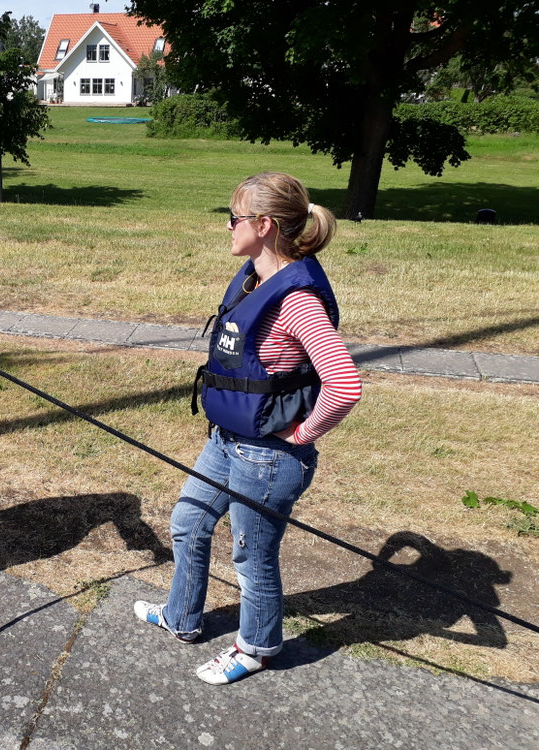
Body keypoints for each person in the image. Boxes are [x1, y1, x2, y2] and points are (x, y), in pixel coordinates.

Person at [134, 172, 362, 684]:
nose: (228, 227)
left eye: (233, 218)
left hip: (268, 457)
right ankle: (181, 617)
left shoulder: (296, 299)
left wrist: (302, 436)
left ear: (263, 225)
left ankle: (257, 647)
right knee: (188, 522)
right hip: (228, 439)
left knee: (251, 556)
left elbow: (344, 384)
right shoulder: (255, 278)